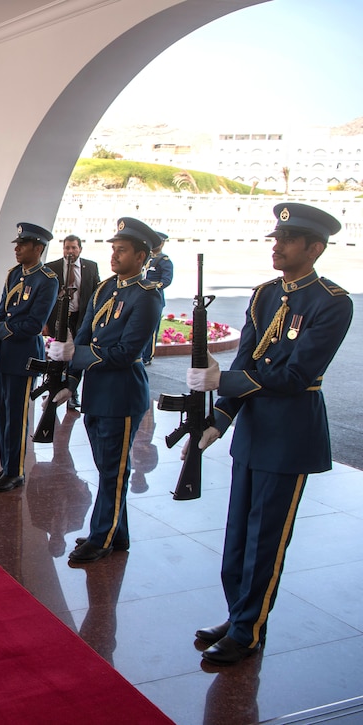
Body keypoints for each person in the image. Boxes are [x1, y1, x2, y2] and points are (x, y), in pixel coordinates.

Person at [186, 203, 352, 665]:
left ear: (313, 248)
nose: (275, 246)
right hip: (254, 429)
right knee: (238, 533)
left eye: (286, 240)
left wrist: (227, 383)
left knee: (267, 539)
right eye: (275, 239)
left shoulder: (332, 302)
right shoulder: (264, 295)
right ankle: (239, 613)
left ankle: (249, 629)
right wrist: (219, 418)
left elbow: (298, 374)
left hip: (291, 433)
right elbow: (245, 360)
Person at [48, 217, 163, 564]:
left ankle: (103, 537)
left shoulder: (147, 297)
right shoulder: (104, 288)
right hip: (97, 390)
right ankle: (117, 531)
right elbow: (83, 334)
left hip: (121, 391)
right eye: (113, 249)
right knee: (105, 467)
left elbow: (126, 352)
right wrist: (71, 380)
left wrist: (77, 355)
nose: (114, 256)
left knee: (114, 470)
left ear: (141, 257)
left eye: (122, 250)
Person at [0, 222, 58, 492]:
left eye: (23, 245)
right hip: (6, 356)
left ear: (39, 248)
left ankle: (16, 471)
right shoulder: (14, 274)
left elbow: (33, 325)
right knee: (3, 414)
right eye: (17, 244)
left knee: (17, 416)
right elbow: (1, 313)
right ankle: (7, 465)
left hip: (24, 357)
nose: (17, 248)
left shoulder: (47, 280)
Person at [45, 234, 101, 410]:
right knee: (57, 353)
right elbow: (46, 298)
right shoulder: (52, 267)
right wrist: (45, 322)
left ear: (80, 249)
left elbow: (96, 294)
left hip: (80, 318)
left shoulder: (90, 267)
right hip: (58, 318)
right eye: (66, 247)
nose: (70, 251)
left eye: (73, 248)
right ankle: (53, 385)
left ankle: (72, 390)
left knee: (74, 353)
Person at [141, 231, 173, 365]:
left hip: (155, 297)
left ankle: (148, 355)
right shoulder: (146, 257)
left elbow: (166, 280)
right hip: (141, 296)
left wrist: (153, 287)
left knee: (152, 329)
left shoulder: (163, 260)